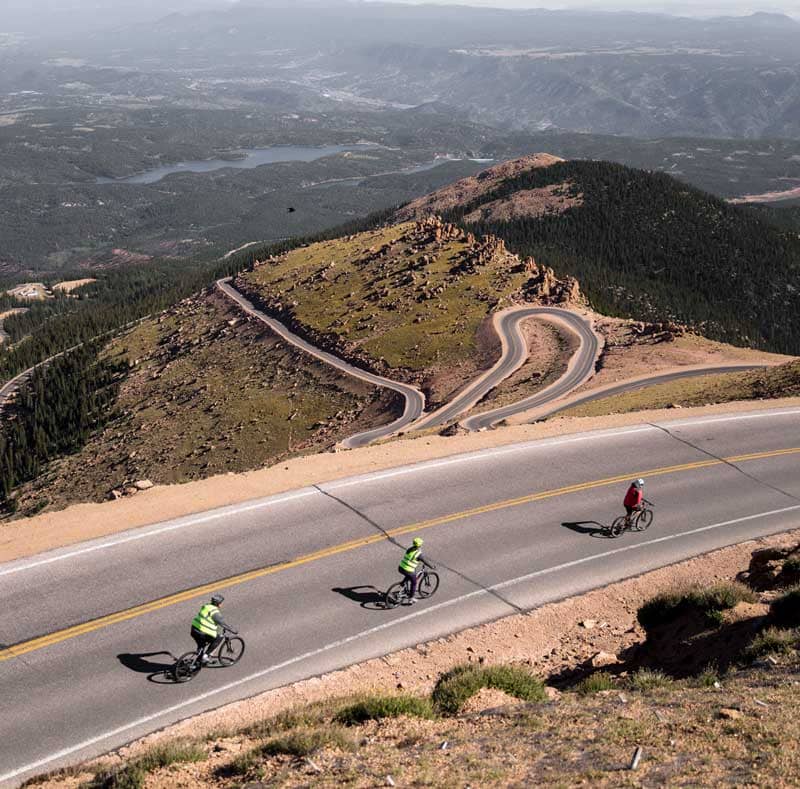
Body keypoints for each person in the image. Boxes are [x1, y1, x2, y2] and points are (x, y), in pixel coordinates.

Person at [191, 593, 237, 663]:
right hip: (203, 632)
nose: (221, 604)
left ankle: (199, 653)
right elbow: (222, 623)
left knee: (201, 644)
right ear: (218, 604)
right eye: (221, 603)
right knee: (219, 637)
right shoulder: (215, 612)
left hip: (194, 629)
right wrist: (233, 630)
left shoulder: (206, 606)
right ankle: (205, 656)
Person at [398, 537, 436, 605]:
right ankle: (411, 598)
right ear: (419, 545)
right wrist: (432, 566)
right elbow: (425, 561)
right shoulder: (418, 554)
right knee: (414, 582)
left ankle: (402, 584)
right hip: (408, 569)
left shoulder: (409, 549)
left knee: (410, 574)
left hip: (401, 567)